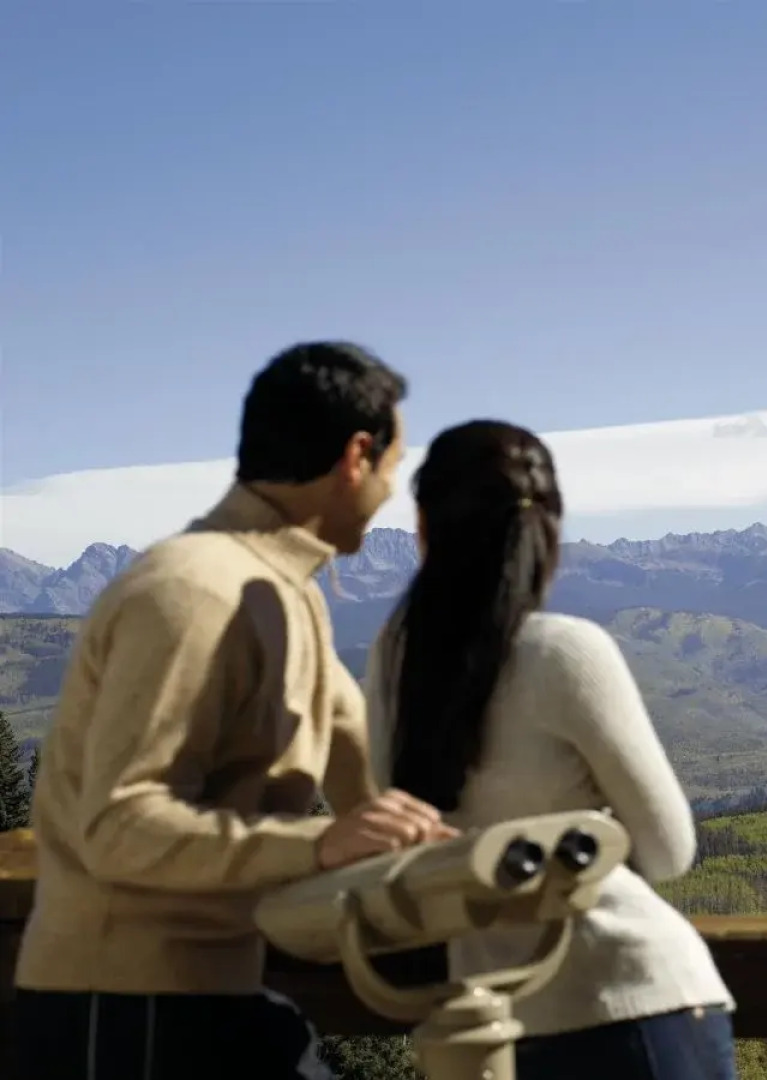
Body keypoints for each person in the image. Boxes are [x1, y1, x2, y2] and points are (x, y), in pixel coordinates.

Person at [10, 342, 458, 1080]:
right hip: (124, 1014)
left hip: (204, 1003)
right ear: (355, 456)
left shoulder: (290, 598)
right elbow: (119, 826)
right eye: (392, 469)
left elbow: (368, 790)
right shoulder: (194, 591)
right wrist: (320, 846)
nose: (391, 494)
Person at [363, 419, 738, 1080]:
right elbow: (669, 850)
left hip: (498, 1024)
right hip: (636, 999)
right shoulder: (565, 652)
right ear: (545, 532)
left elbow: (403, 844)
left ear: (423, 530)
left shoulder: (394, 660)